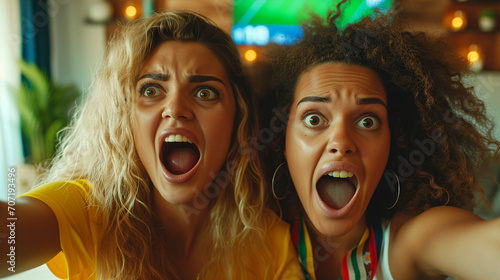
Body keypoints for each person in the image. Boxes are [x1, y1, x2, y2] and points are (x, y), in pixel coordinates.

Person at [0, 11, 303, 280]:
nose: (176, 108)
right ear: (126, 117)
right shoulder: (89, 213)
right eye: (151, 89)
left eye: (205, 93)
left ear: (239, 120)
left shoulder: (270, 244)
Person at [257, 2, 500, 280]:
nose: (341, 141)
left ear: (393, 144)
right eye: (314, 119)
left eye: (367, 121)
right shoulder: (243, 241)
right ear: (280, 141)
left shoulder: (407, 243)